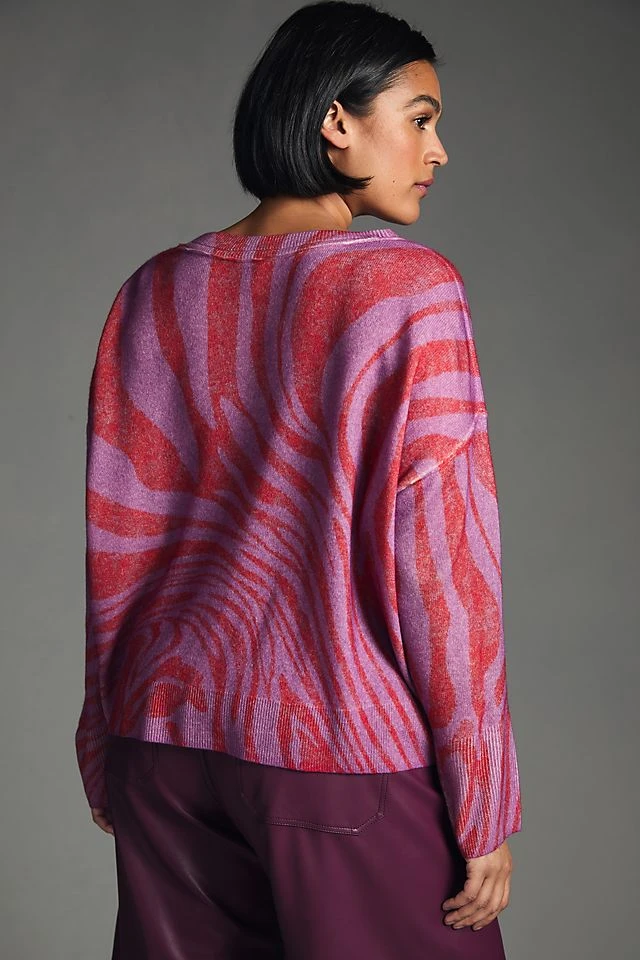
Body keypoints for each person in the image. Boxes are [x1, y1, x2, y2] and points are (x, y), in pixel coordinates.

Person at [75, 2, 523, 957]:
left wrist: (104, 738)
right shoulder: (407, 289)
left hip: (163, 744)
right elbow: (447, 567)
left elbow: (118, 542)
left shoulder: (152, 289)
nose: (438, 151)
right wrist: (483, 795)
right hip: (337, 755)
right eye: (420, 118)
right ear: (336, 122)